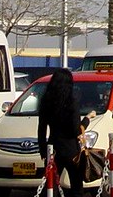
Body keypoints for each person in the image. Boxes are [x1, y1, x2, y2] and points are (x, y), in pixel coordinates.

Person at [37, 68, 95, 197]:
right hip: (70, 150)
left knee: (51, 185)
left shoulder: (46, 101)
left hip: (53, 148)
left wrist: (42, 149)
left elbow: (41, 128)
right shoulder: (71, 102)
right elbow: (75, 130)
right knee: (76, 185)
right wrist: (87, 119)